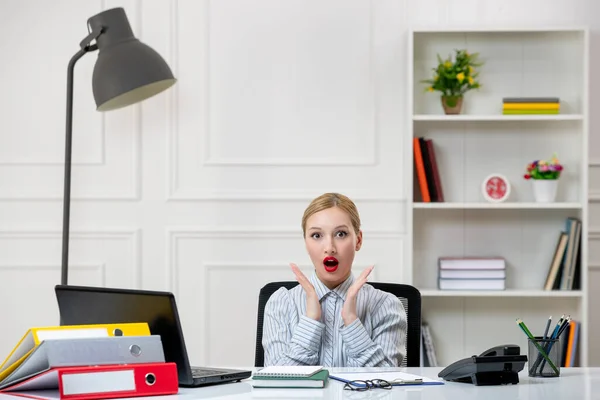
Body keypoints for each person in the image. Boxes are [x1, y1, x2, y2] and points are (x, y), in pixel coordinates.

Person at [262, 192, 407, 367]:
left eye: (341, 234)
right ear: (306, 243)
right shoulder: (281, 303)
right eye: (317, 236)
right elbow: (277, 381)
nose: (329, 248)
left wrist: (352, 322)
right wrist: (310, 321)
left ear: (358, 240)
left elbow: (387, 384)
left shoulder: (386, 305)